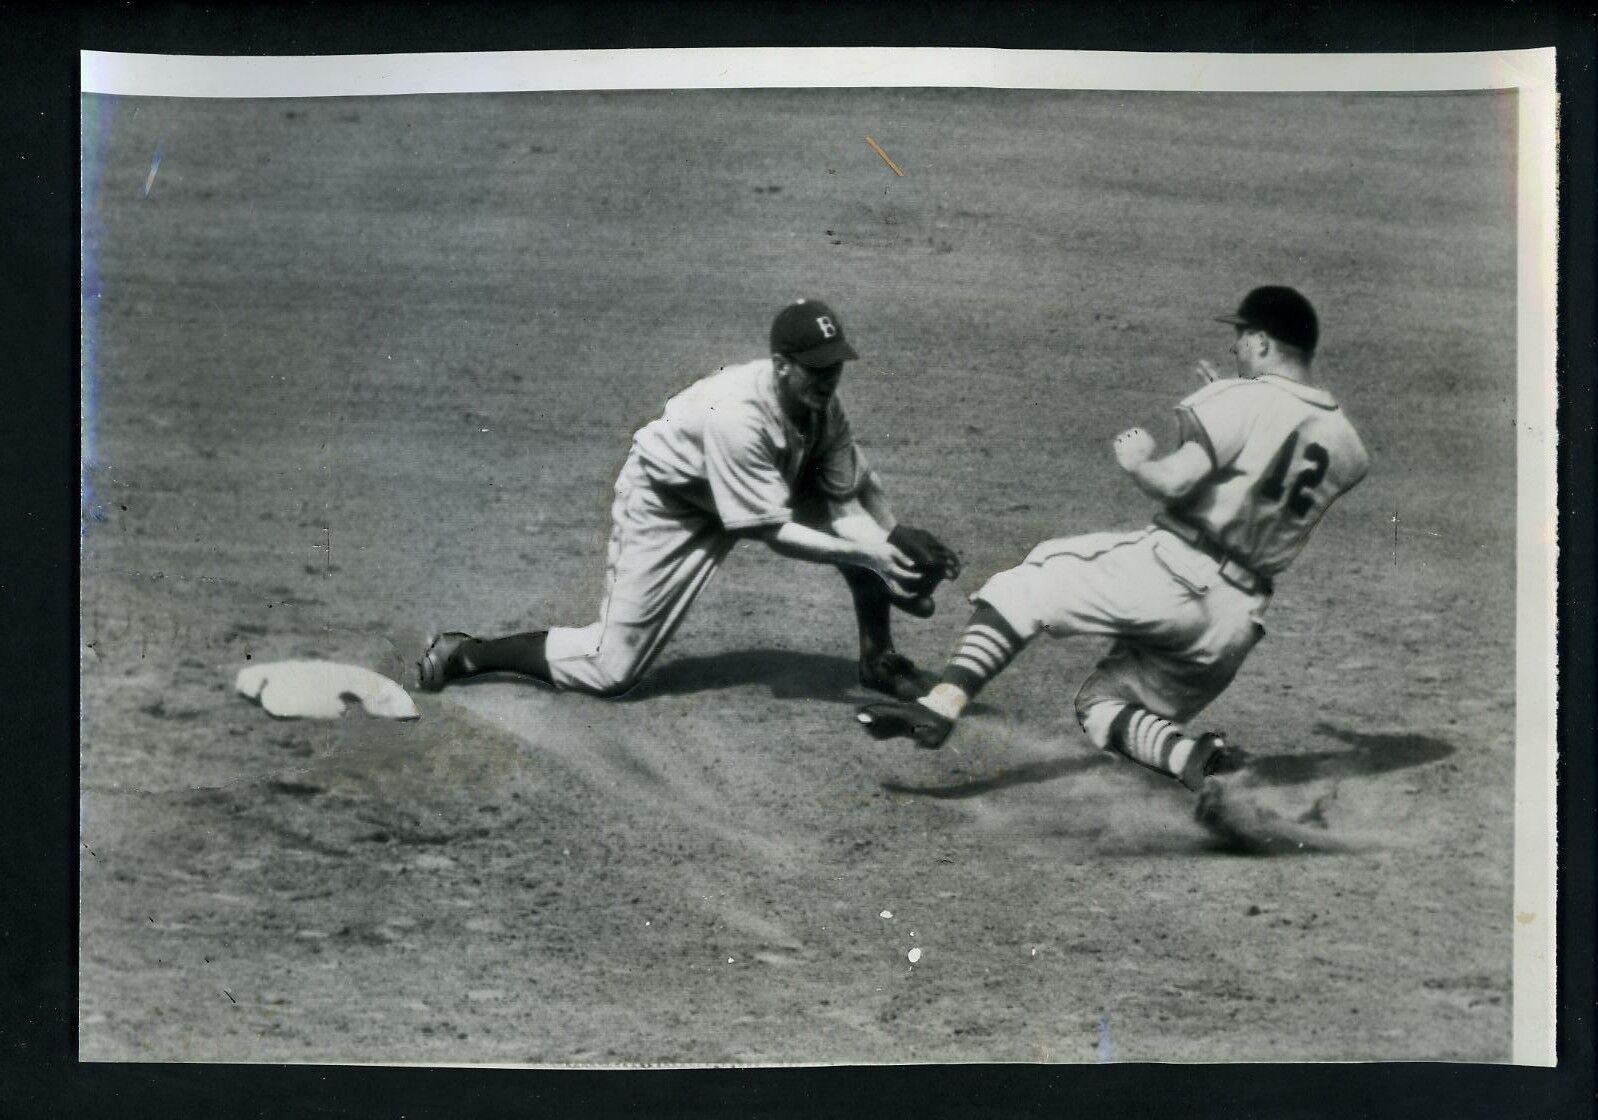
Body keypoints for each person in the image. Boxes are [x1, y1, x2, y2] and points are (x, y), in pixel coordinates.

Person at [857, 286, 1371, 794]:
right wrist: (1237, 403)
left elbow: (1175, 482)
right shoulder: (1347, 444)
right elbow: (1268, 468)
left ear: (1262, 342)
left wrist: (1140, 460)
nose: (1233, 348)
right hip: (1235, 622)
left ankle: (940, 704)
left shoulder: (1243, 399)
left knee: (1027, 582)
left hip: (1175, 571)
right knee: (1103, 706)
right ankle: (1199, 764)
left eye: (1239, 337)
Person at [418, 298, 959, 700]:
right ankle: (469, 652)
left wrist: (889, 541)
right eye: (817, 368)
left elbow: (846, 507)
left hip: (762, 482)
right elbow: (770, 532)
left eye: (835, 365)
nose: (828, 378)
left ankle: (878, 659)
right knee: (611, 671)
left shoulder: (822, 406)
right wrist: (872, 555)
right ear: (781, 364)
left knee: (862, 524)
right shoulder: (738, 416)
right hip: (674, 501)